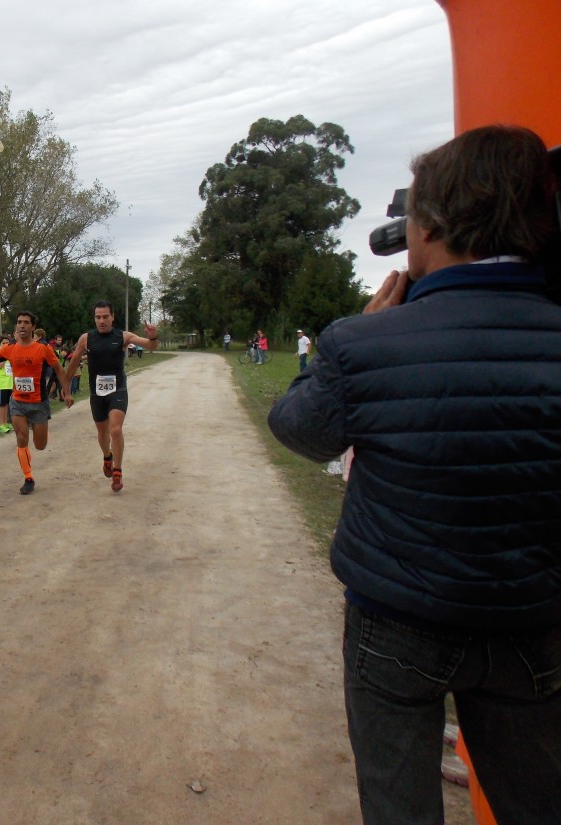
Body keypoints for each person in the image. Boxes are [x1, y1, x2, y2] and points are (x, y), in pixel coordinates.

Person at [267, 125, 561, 825]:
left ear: (426, 227)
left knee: (399, 808)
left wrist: (356, 334)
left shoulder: (367, 342)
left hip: (397, 623)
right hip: (531, 622)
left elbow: (299, 428)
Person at [0, 311, 72, 494]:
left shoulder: (43, 348)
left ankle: (41, 432)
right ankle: (28, 477)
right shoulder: (11, 348)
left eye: (26, 322)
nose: (22, 325)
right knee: (22, 437)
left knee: (40, 445)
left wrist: (67, 392)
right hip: (17, 401)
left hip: (39, 403)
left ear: (33, 327)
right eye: (19, 322)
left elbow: (58, 369)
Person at [65, 301, 158, 493]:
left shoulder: (123, 336)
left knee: (115, 430)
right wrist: (66, 389)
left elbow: (151, 345)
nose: (102, 320)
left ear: (113, 317)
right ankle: (107, 456)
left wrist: (153, 336)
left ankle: (117, 471)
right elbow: (74, 362)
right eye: (98, 317)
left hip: (118, 390)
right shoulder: (86, 338)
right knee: (102, 433)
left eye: (105, 316)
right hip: (97, 392)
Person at [0, 332, 14, 433]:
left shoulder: (9, 353)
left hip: (9, 382)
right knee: (1, 404)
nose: (5, 345)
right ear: (0, 344)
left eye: (7, 343)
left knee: (6, 404)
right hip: (1, 383)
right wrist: (6, 356)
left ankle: (5, 423)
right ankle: (0, 425)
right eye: (3, 343)